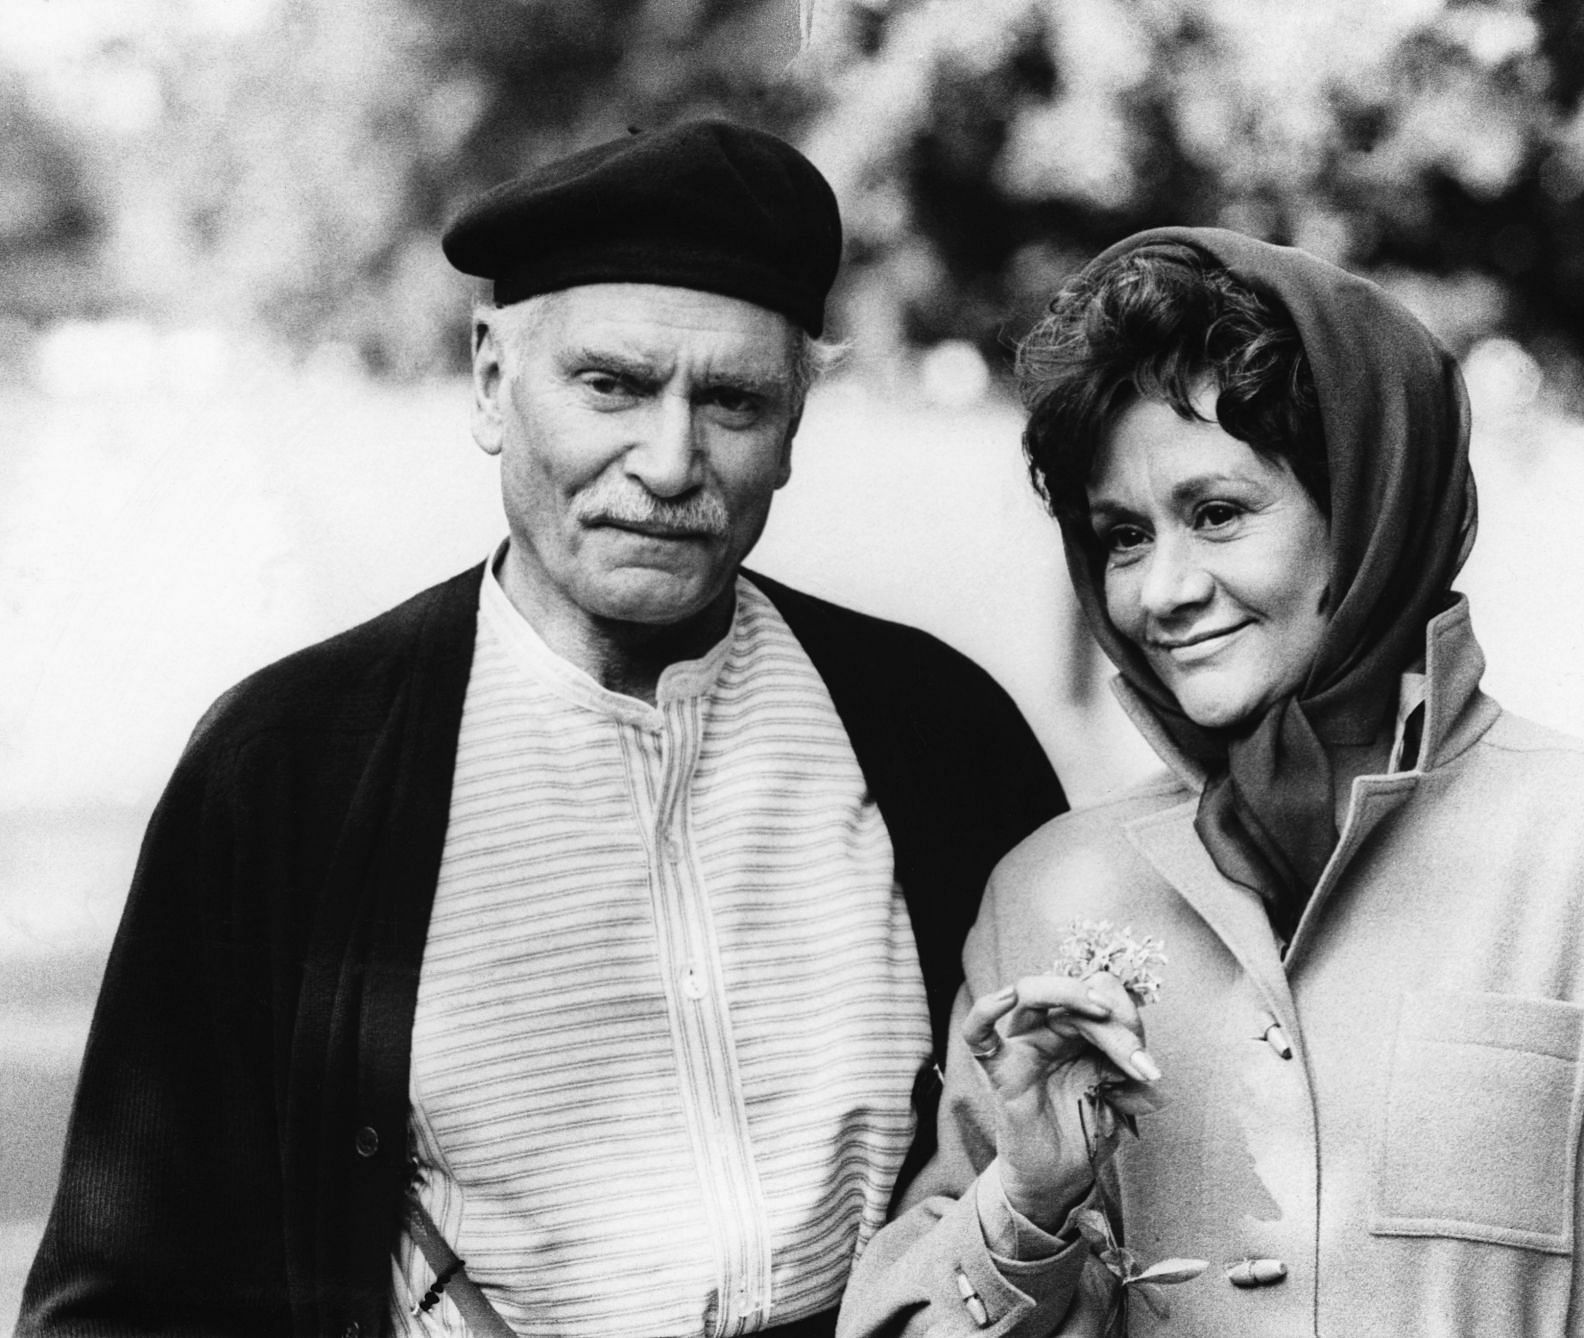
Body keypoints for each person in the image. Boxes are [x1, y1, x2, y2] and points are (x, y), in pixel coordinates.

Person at [18, 120, 1067, 1338]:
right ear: (488, 382)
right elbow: (121, 1294)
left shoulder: (941, 735)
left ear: (793, 430)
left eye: (732, 399)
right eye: (612, 384)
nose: (670, 462)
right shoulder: (292, 767)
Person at [837, 229, 1584, 1336]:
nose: (1163, 590)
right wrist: (1029, 1204)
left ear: (1368, 509)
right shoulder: (1047, 901)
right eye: (1120, 536)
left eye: (1217, 514)